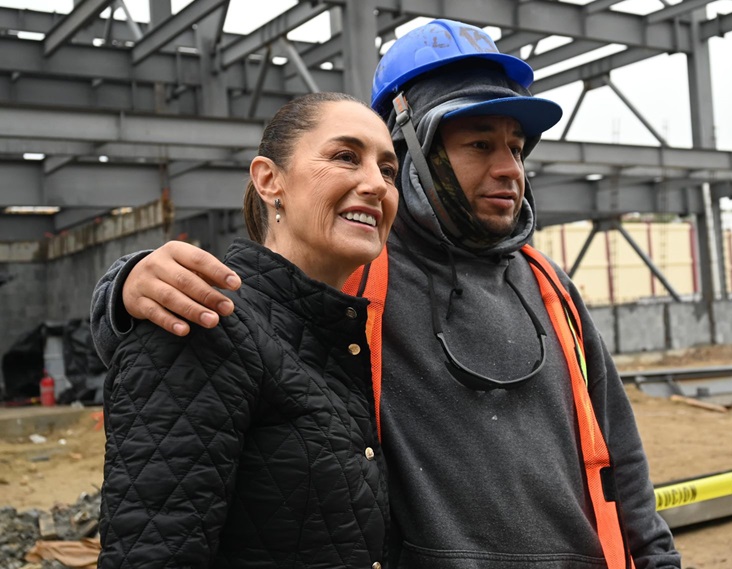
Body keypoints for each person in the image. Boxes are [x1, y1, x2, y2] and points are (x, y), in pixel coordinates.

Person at [92, 19, 681, 569]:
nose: (510, 170)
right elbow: (240, 306)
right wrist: (123, 289)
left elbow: (620, 456)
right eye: (480, 145)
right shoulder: (354, 272)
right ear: (414, 149)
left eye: (517, 148)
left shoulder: (551, 288)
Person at [97, 92, 399, 568]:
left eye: (388, 170)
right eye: (345, 156)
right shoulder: (204, 321)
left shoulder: (340, 338)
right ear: (269, 180)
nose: (376, 184)